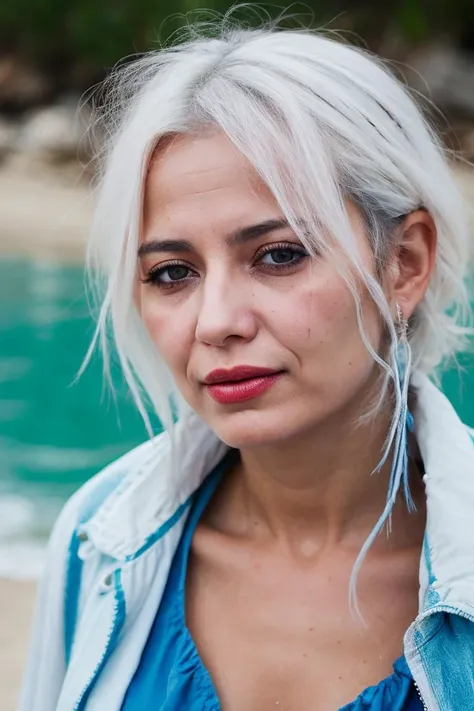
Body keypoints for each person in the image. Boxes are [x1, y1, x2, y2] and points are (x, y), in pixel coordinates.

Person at [19, 16, 474, 711]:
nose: (217, 321)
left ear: (403, 263)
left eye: (278, 254)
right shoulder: (99, 541)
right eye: (172, 272)